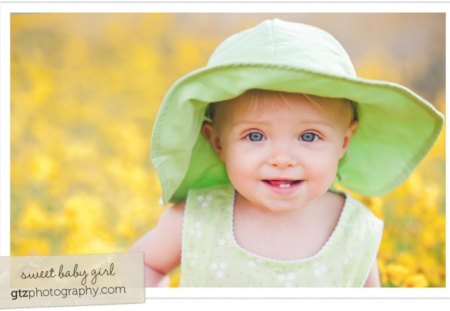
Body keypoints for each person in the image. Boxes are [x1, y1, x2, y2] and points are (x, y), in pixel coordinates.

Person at [131, 19, 443, 287]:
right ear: (218, 143)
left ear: (344, 142)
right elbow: (141, 268)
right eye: (255, 136)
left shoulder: (354, 233)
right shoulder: (196, 217)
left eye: (309, 136)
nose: (282, 158)